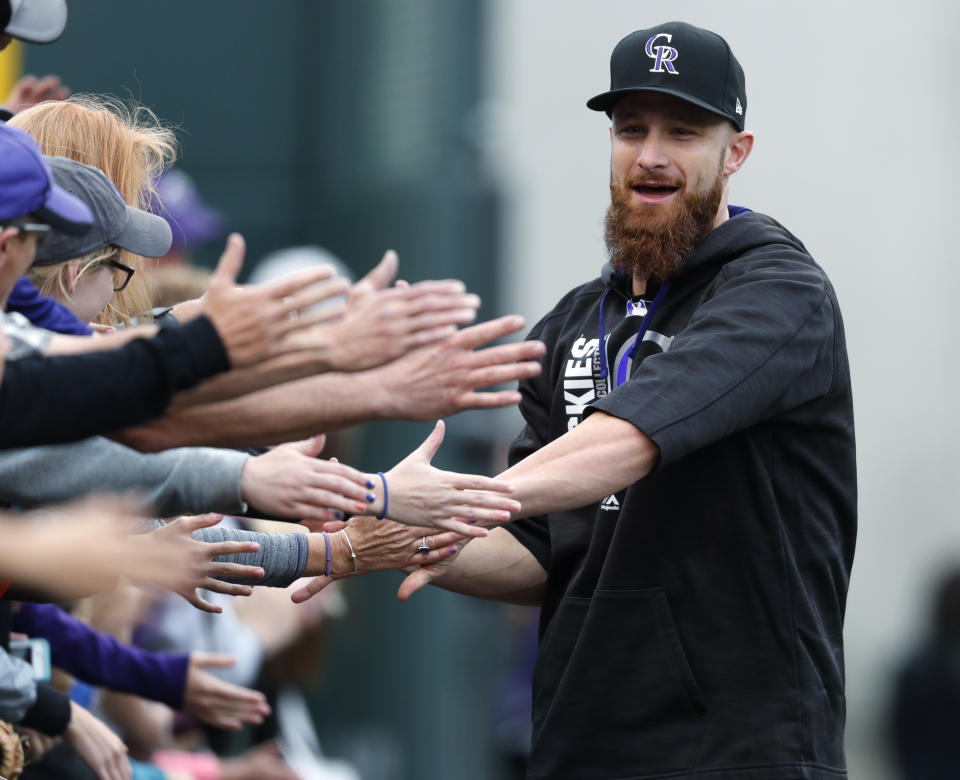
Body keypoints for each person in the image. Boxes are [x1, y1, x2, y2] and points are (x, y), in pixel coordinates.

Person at [301, 21, 857, 780]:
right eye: (631, 129)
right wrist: (386, 526)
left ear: (736, 152)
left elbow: (629, 439)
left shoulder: (778, 293)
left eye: (683, 131)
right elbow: (540, 551)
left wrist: (447, 496)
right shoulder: (571, 323)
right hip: (582, 747)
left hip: (739, 751)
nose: (651, 154)